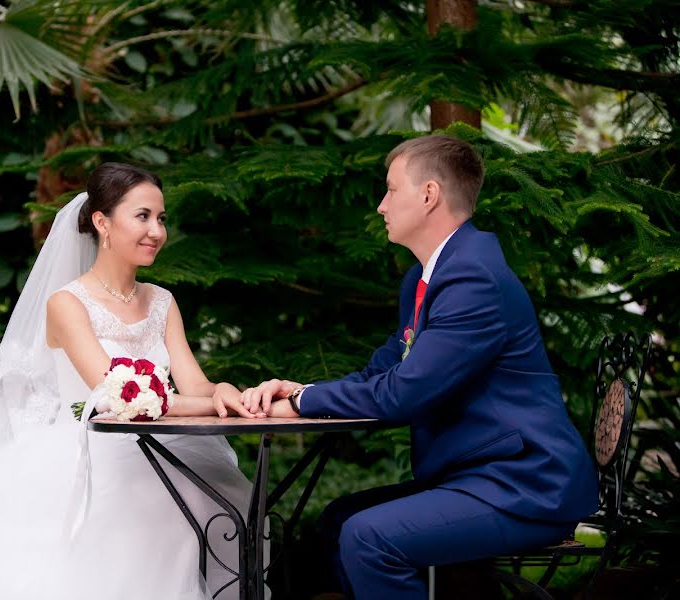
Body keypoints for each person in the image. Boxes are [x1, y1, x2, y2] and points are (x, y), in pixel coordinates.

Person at [0, 163, 261, 599]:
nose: (156, 231)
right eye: (142, 216)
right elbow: (111, 393)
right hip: (87, 448)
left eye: (161, 219)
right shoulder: (67, 303)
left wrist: (221, 392)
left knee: (221, 497)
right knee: (151, 506)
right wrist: (212, 406)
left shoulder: (162, 301)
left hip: (162, 445)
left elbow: (194, 385)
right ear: (103, 222)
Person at [243, 135, 598, 599]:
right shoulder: (427, 276)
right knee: (337, 520)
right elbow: (383, 372)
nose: (380, 206)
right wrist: (302, 390)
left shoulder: (473, 280)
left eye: (391, 190)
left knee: (369, 537)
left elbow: (404, 393)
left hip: (525, 484)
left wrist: (303, 402)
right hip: (479, 477)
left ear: (428, 195)